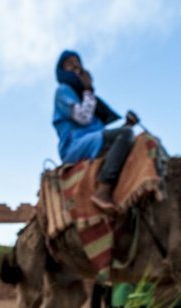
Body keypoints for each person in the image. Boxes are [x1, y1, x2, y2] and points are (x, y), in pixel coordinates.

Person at [53, 49, 138, 213]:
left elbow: (100, 132)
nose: (76, 67)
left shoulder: (89, 100)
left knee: (129, 137)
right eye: (70, 64)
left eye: (78, 63)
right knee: (124, 135)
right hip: (75, 146)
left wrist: (127, 124)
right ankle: (103, 190)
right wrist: (88, 90)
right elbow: (83, 118)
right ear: (62, 70)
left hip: (93, 141)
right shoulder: (63, 91)